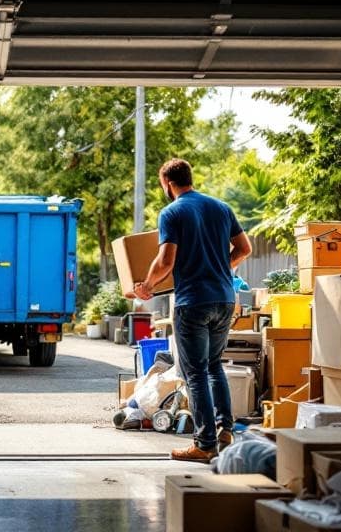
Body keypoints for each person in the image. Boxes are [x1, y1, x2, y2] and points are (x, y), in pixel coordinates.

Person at [127, 158, 252, 462]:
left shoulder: (172, 212)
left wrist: (147, 285)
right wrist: (224, 267)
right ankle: (225, 430)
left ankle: (204, 444)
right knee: (213, 367)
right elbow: (245, 248)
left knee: (194, 372)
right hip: (224, 299)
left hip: (193, 301)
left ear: (167, 183)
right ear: (189, 178)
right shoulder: (221, 208)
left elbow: (166, 261)